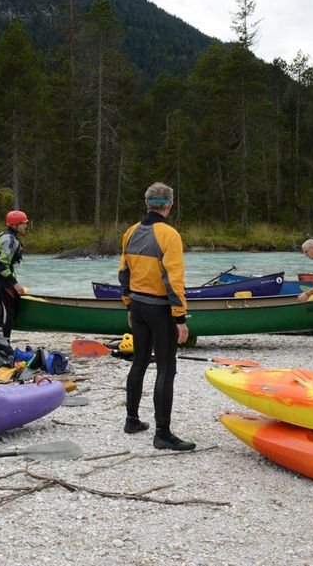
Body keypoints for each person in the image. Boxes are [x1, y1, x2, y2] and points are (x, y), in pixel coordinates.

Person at [118, 182, 195, 452]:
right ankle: (162, 433)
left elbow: (123, 273)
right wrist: (180, 317)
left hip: (138, 305)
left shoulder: (130, 232)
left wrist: (128, 305)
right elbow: (174, 280)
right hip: (160, 309)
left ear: (147, 203)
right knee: (166, 368)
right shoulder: (169, 234)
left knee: (139, 362)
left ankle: (132, 420)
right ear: (170, 205)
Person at [0, 210, 29, 338]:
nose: (25, 226)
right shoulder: (9, 240)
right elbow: (2, 265)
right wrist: (15, 284)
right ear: (15, 225)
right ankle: (5, 343)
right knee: (9, 313)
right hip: (4, 280)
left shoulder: (3, 235)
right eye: (23, 223)